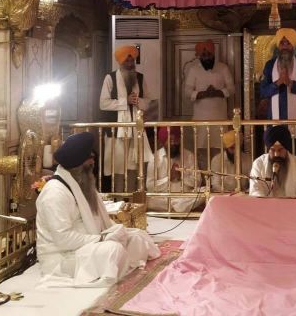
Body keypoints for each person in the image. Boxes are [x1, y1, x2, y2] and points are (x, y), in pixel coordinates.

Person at [36, 132, 159, 286]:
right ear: (79, 164)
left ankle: (119, 265)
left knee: (137, 237)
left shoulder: (79, 183)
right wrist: (101, 239)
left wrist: (115, 232)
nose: (93, 162)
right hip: (63, 257)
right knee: (113, 250)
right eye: (90, 158)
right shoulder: (54, 193)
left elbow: (99, 220)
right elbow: (63, 239)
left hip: (90, 244)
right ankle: (116, 266)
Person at [99, 45, 154, 192]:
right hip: (117, 134)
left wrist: (138, 102)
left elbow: (148, 101)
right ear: (120, 62)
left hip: (136, 131)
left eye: (132, 61)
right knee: (118, 169)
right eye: (127, 62)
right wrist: (125, 101)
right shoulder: (110, 78)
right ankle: (119, 203)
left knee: (133, 168)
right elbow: (103, 103)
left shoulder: (140, 78)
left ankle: (132, 202)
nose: (130, 64)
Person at [259, 28, 296, 160]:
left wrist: (291, 84)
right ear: (278, 45)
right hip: (275, 120)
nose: (284, 46)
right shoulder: (269, 65)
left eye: (287, 43)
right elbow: (262, 91)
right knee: (276, 156)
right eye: (282, 43)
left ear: (293, 45)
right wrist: (277, 83)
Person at [184, 40, 235, 155]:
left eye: (209, 54)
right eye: (204, 55)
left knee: (220, 151)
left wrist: (217, 92)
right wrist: (203, 94)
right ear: (199, 56)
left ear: (214, 54)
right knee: (201, 151)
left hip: (220, 119)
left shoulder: (223, 68)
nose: (207, 57)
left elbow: (232, 89)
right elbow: (187, 92)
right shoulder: (194, 70)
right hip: (200, 120)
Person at [146, 127, 204, 213]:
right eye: (170, 140)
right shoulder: (154, 158)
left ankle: (173, 207)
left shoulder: (189, 156)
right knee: (146, 199)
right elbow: (149, 186)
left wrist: (181, 177)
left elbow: (198, 181)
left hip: (185, 196)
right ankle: (179, 208)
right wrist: (169, 178)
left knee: (205, 191)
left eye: (176, 139)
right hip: (163, 198)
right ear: (163, 141)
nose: (173, 143)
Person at [249, 125, 296, 198]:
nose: (276, 154)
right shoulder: (258, 164)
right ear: (268, 149)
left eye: (280, 150)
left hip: (293, 208)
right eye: (273, 150)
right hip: (266, 208)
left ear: (286, 149)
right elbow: (255, 191)